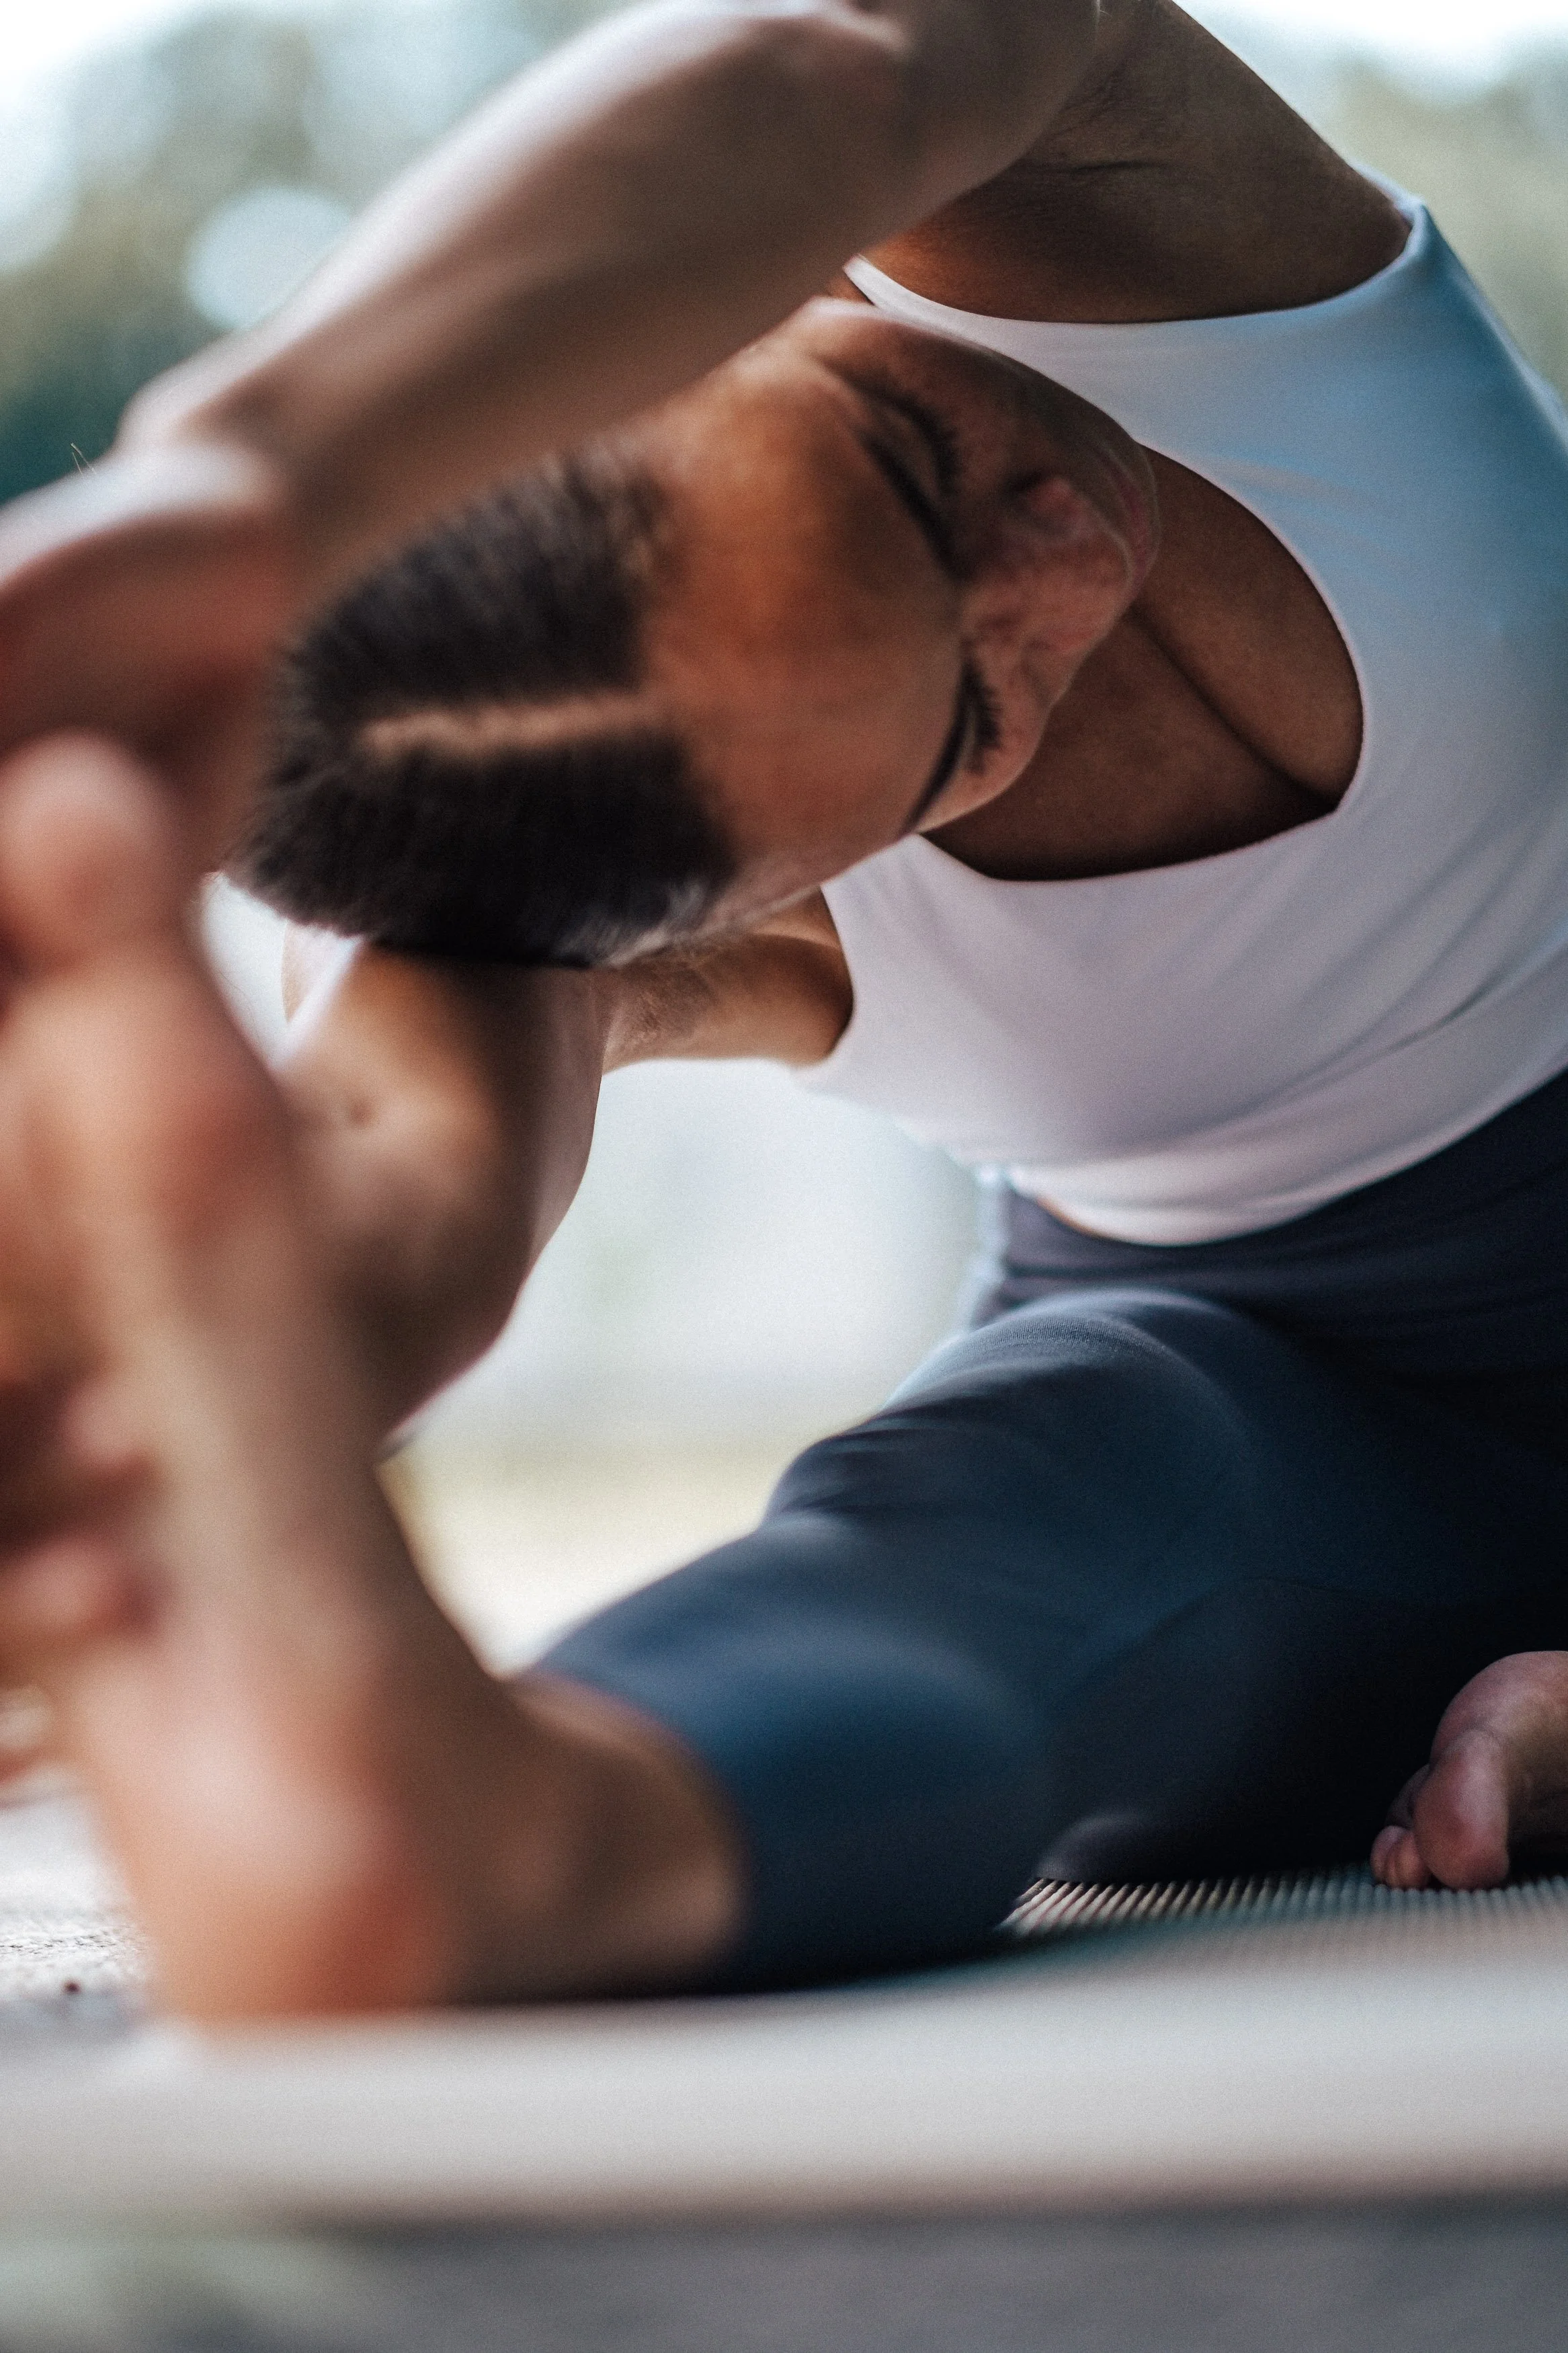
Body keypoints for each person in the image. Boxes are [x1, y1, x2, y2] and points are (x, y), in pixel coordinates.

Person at [2, 0, 1568, 2017]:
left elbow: (863, 48)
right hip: (1285, 1437)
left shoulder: (1163, 262)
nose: (1068, 562)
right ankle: (491, 1841)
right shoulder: (579, 886)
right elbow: (393, 1204)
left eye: (911, 461)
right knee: (1022, 1492)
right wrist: (122, 1432)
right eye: (973, 721)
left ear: (709, 307)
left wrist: (245, 471)